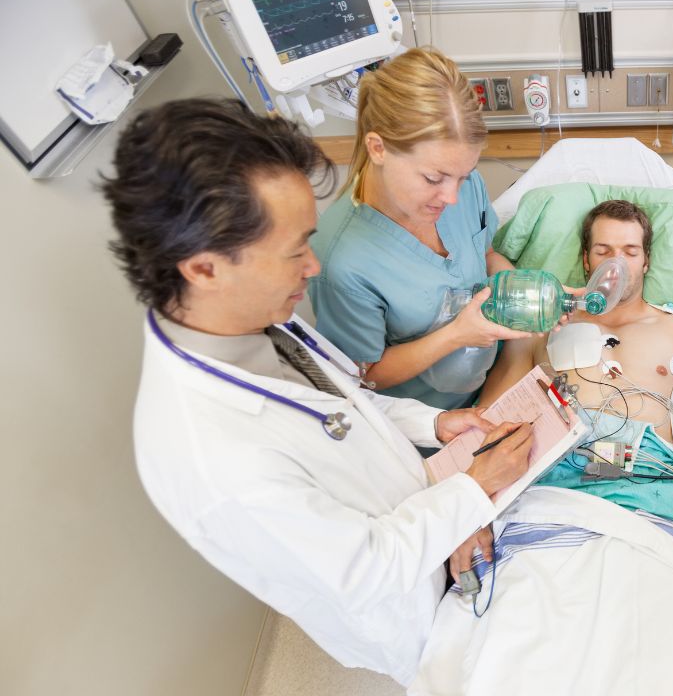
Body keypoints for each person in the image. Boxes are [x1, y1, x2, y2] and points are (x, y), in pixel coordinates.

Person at [103, 98, 535, 687]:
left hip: (427, 514)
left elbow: (350, 400)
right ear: (204, 269)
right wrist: (473, 489)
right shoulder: (211, 459)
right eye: (293, 251)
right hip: (403, 605)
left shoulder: (256, 318)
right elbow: (366, 569)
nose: (313, 267)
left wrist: (432, 425)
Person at [473, 200, 673, 609]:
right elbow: (487, 422)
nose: (616, 263)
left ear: (647, 261)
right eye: (603, 251)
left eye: (630, 252)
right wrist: (470, 508)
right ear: (586, 260)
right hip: (560, 490)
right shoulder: (539, 332)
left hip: (649, 494)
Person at [308, 48, 529, 411]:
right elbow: (363, 373)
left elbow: (486, 254)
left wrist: (523, 291)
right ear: (378, 148)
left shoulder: (460, 188)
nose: (452, 197)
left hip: (492, 383)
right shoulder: (341, 260)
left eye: (463, 176)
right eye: (433, 178)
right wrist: (458, 335)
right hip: (429, 423)